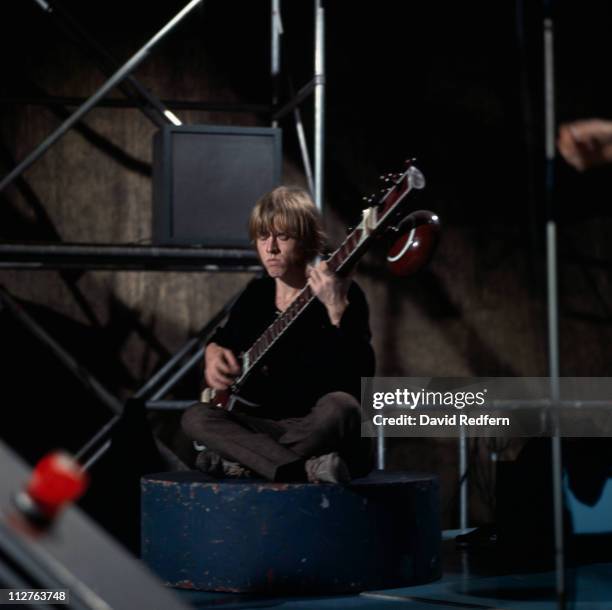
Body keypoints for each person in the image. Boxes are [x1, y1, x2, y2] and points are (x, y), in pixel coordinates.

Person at [181, 186, 375, 484]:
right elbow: (224, 339)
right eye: (263, 237)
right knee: (195, 417)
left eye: (282, 237)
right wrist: (212, 352)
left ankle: (248, 462)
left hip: (315, 427)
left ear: (307, 241)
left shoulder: (342, 294)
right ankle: (303, 469)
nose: (270, 248)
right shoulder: (256, 295)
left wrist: (337, 309)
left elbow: (359, 380)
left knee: (342, 408)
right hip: (263, 427)